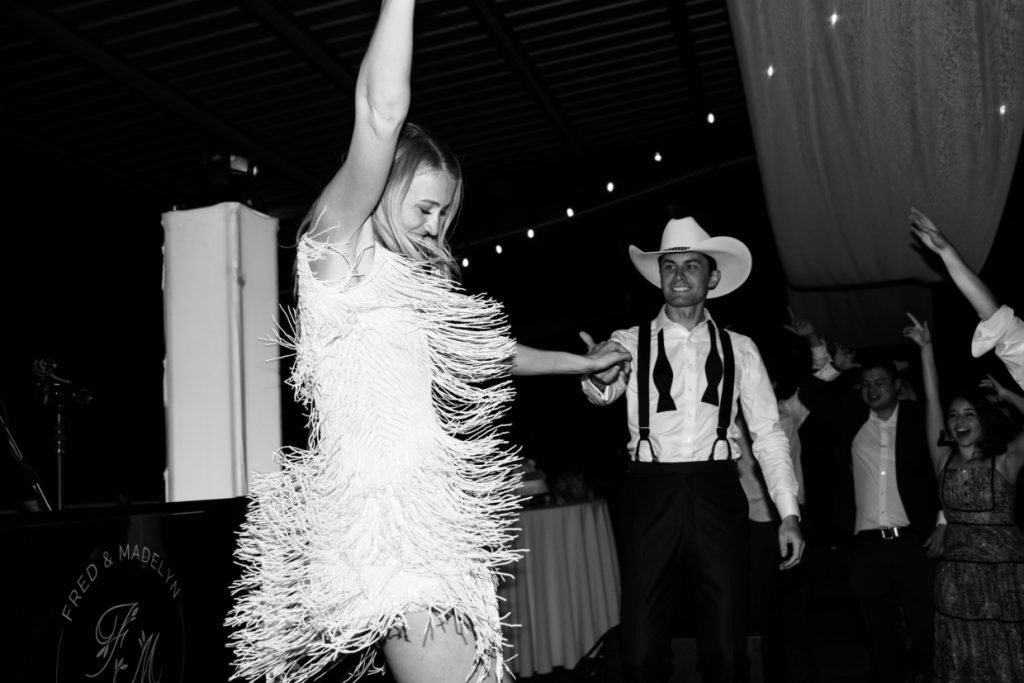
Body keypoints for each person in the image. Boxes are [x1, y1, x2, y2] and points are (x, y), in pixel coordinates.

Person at [224, 3, 630, 682]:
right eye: (424, 207)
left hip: (432, 515)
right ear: (383, 188)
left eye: (445, 213)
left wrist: (579, 361)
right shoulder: (335, 253)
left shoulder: (409, 286)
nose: (436, 225)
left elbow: (494, 353)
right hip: (386, 530)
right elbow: (380, 115)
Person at [582, 216, 804, 683]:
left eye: (691, 265)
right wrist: (596, 376)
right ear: (659, 275)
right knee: (640, 653)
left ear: (713, 277)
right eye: (670, 266)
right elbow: (604, 393)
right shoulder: (628, 341)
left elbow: (768, 434)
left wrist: (787, 513)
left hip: (717, 492)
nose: (679, 275)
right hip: (649, 492)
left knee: (726, 649)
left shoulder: (740, 348)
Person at [906, 209, 1024, 681]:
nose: (957, 422)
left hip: (1007, 577)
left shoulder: (1007, 461)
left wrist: (1012, 397)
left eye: (967, 413)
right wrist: (924, 349)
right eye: (954, 418)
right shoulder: (942, 459)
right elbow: (932, 400)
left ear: (985, 420)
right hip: (957, 581)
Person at [796, 333, 945, 682]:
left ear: (896, 385)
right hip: (866, 546)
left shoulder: (917, 418)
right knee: (877, 631)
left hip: (913, 543)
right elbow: (810, 396)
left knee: (925, 626)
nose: (872, 389)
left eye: (879, 382)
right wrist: (835, 367)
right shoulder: (852, 418)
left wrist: (943, 520)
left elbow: (945, 467)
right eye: (865, 384)